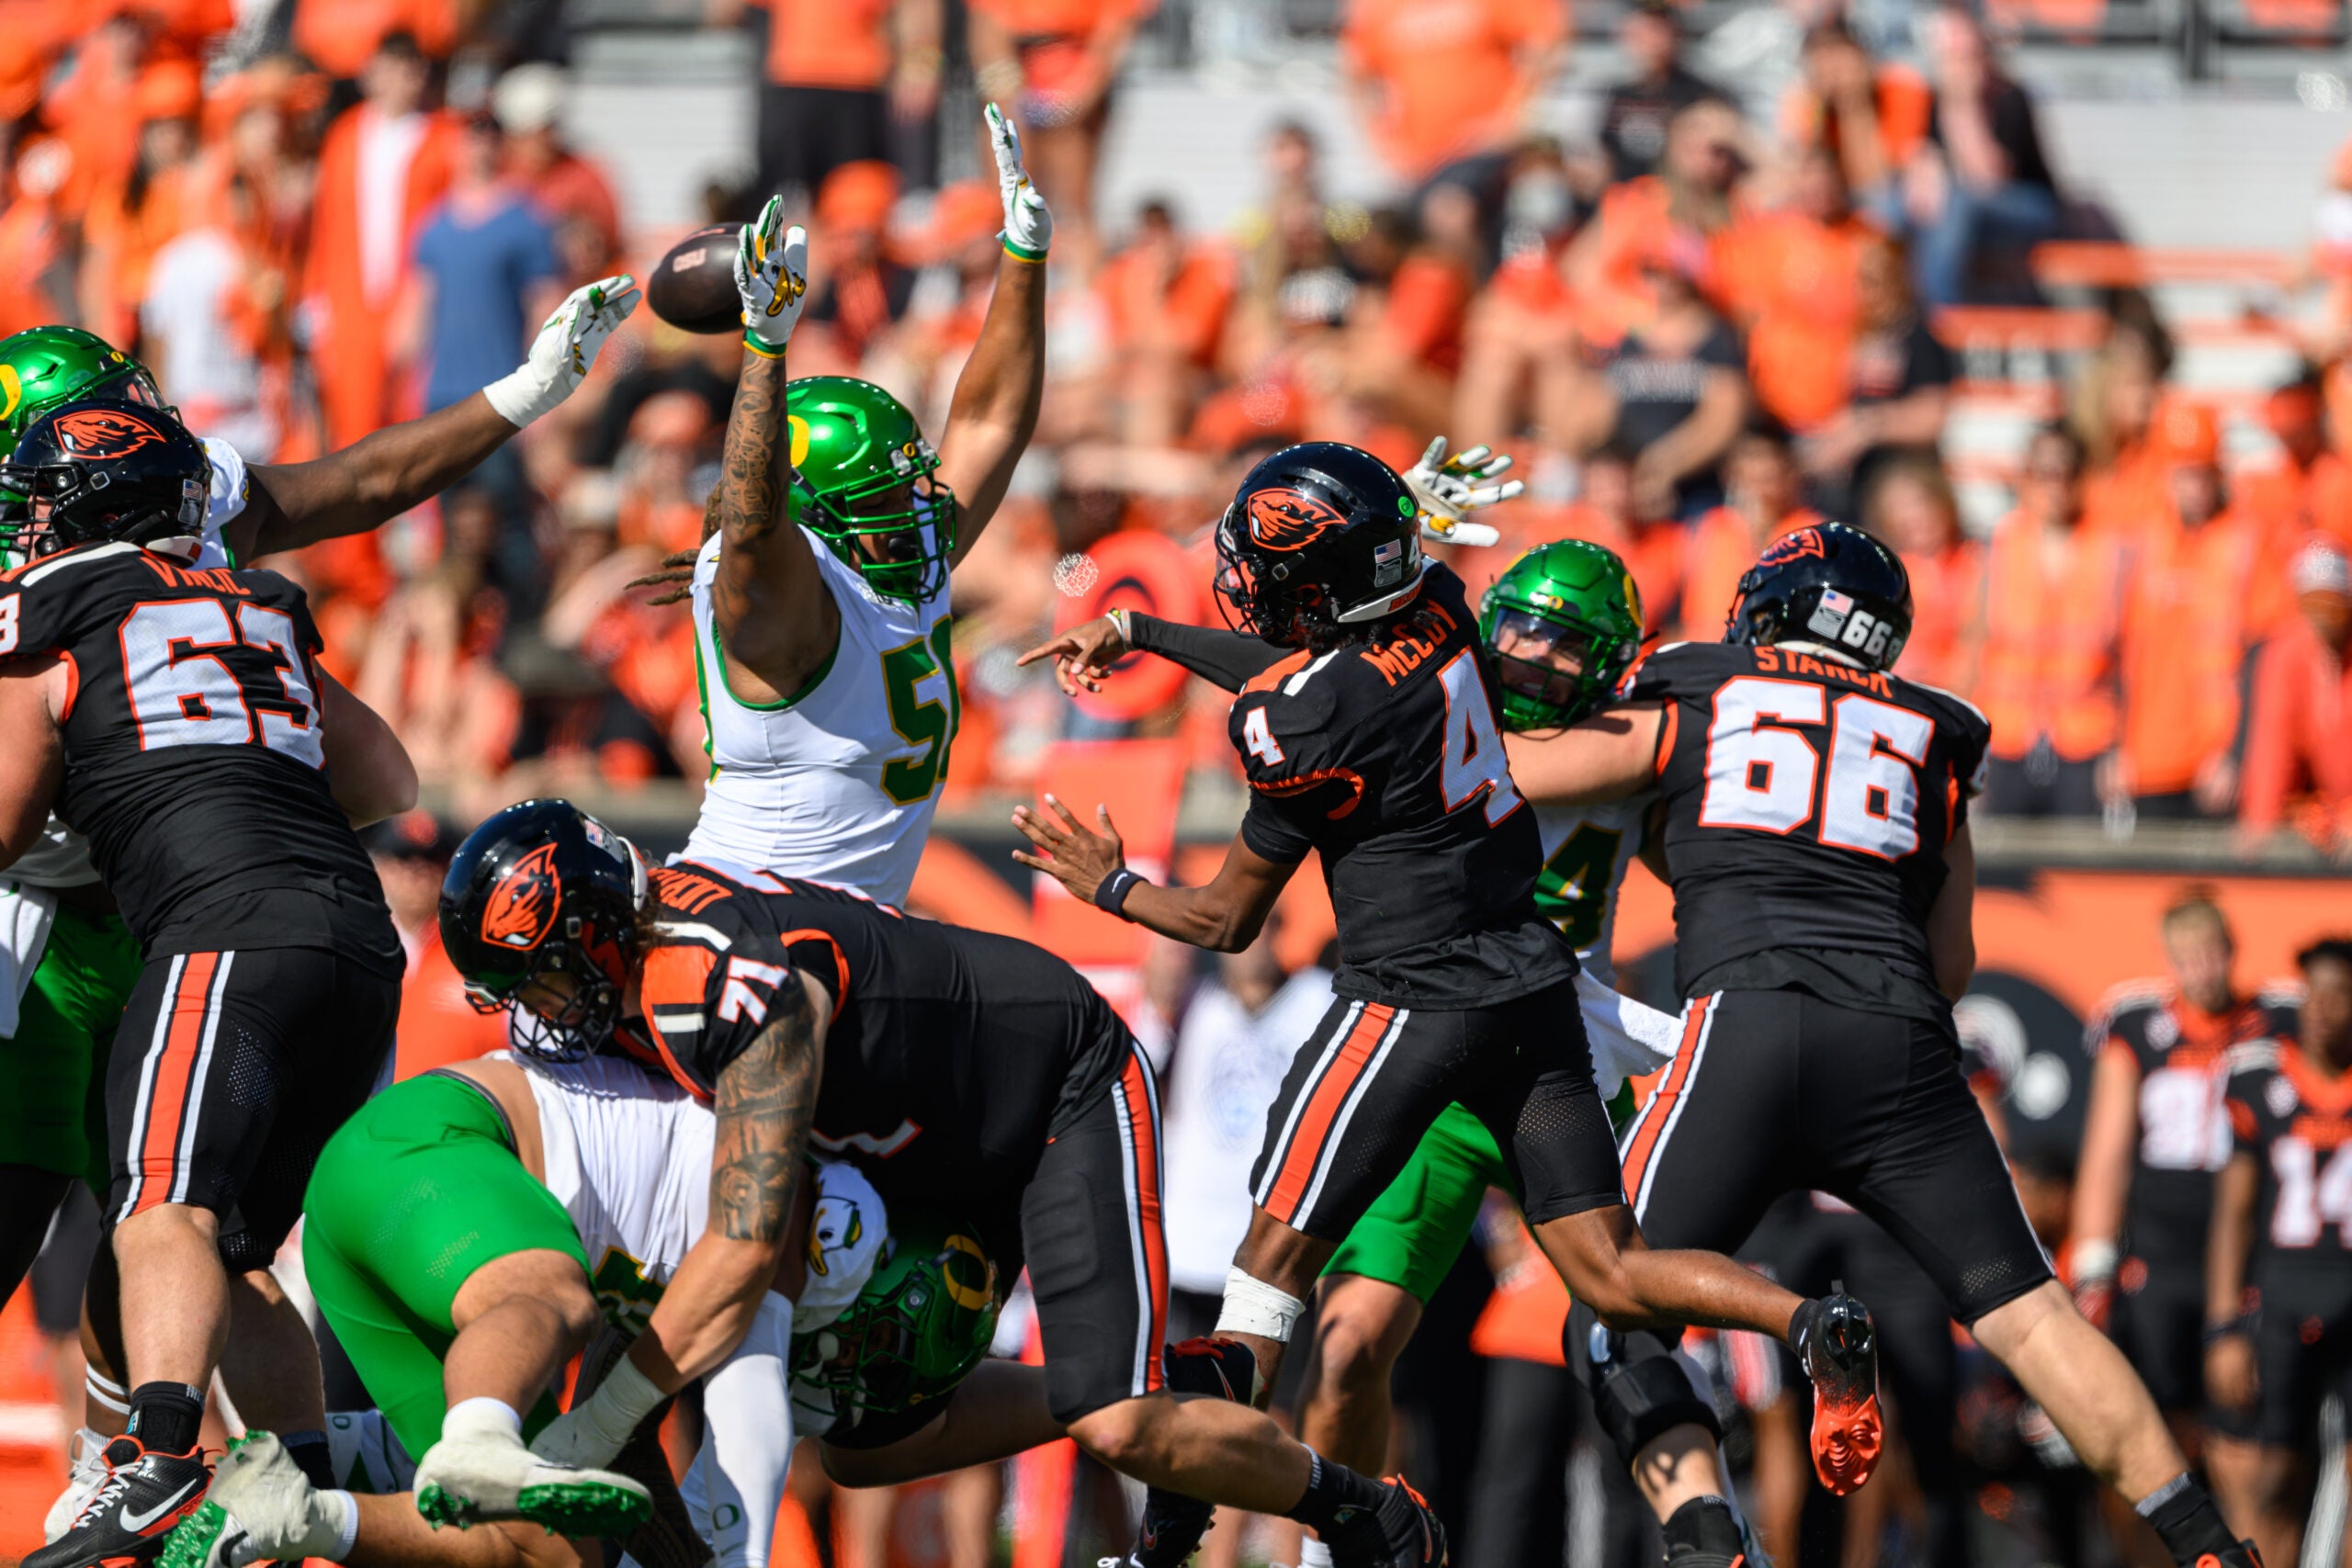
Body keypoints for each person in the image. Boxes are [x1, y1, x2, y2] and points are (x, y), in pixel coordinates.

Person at [1012, 445, 1875, 1568]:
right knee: (1608, 1268)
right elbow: (1299, 671)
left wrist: (1109, 886)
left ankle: (1173, 1543)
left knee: (1261, 1289)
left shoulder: (1309, 723)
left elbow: (1225, 917)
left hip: (1408, 1009)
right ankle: (1808, 1322)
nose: (1532, 652)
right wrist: (1140, 634)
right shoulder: (1440, 605)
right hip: (1534, 990)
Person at [1506, 520, 2267, 1568]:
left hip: (1750, 1021)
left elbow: (1519, 776)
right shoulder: (1938, 729)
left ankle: (1709, 1542)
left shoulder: (1698, 679)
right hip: (1902, 1044)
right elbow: (1949, 963)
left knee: (1614, 1302)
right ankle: (2210, 1548)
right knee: (2031, 1319)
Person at [427, 799, 1443, 1568]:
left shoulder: (707, 989)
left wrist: (599, 1425)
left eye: (548, 980)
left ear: (602, 931)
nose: (540, 1013)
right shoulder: (652, 989)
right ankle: (1184, 1391)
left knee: (1117, 1422)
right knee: (868, 1447)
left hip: (1050, 1087)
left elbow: (746, 1250)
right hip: (905, 1141)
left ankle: (1362, 1508)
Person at [0, 278, 636, 1325]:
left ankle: (133, 1458)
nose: (148, 432)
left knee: (164, 1212)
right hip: (48, 906)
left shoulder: (156, 493)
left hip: (161, 897)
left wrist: (521, 395)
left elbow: (354, 484)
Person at [1287, 540, 1762, 1568]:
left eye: (1564, 643)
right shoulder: (1463, 704)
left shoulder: (1623, 740)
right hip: (1430, 1050)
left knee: (1630, 1322)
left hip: (1564, 1055)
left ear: (1607, 663)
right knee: (1347, 1347)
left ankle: (1712, 1529)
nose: (1534, 655)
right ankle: (1339, 1548)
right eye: (1523, 628)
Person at [0, 401, 418, 1566]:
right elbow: (390, 774)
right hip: (356, 942)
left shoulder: (52, 604)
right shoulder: (258, 602)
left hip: (222, 933)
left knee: (159, 1208)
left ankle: (161, 1458)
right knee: (225, 1254)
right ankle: (311, 1484)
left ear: (88, 506)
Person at [162, 1041, 900, 1566]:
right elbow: (749, 1433)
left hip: (384, 1200)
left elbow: (627, 1438)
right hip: (432, 1146)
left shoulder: (710, 1257)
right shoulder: (780, 1211)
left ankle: (298, 1505)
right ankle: (472, 1436)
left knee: (551, 1554)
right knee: (551, 1296)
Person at [636, 110, 1045, 910]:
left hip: (847, 929)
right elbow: (754, 522)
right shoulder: (775, 593)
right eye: (884, 495)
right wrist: (766, 347)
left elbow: (991, 420)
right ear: (811, 510)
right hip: (743, 921)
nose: (917, 506)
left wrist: (1024, 256)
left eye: (907, 482)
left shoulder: (892, 552)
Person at [2072, 897, 2299, 1453]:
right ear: (2169, 958)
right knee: (2159, 1414)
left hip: (2245, 1238)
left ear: (2231, 950)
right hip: (2161, 1243)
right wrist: (2094, 1263)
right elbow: (2107, 1151)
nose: (2201, 969)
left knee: (2245, 1415)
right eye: (2186, 956)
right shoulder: (2136, 1022)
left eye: (2210, 953)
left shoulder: (2279, 1020)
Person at [2205, 937, 2352, 1568]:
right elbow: (2233, 1215)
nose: (2321, 1007)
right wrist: (2223, 1326)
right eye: (2312, 991)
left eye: (2339, 993)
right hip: (2280, 1295)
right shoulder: (2259, 1075)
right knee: (2269, 1482)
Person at [1976, 423, 2130, 818]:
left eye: (2066, 473)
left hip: (2085, 738)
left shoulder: (2110, 548)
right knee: (2005, 871)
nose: (2055, 484)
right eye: (2043, 473)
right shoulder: (2003, 544)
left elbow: (2130, 659)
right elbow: (1976, 646)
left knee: (2075, 867)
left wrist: (2122, 748)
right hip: (2009, 736)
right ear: (2026, 477)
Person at [2237, 536, 2352, 859]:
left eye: (2333, 604)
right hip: (2319, 810)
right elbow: (2272, 745)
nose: (2323, 617)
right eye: (2313, 604)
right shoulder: (2285, 655)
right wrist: (2262, 821)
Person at [1598, 0, 1730, 185]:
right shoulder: (1619, 94)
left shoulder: (1700, 95)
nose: (1651, 41)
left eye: (1658, 30)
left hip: (1679, 201)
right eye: (1643, 32)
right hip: (1627, 201)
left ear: (1676, 34)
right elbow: (1606, 157)